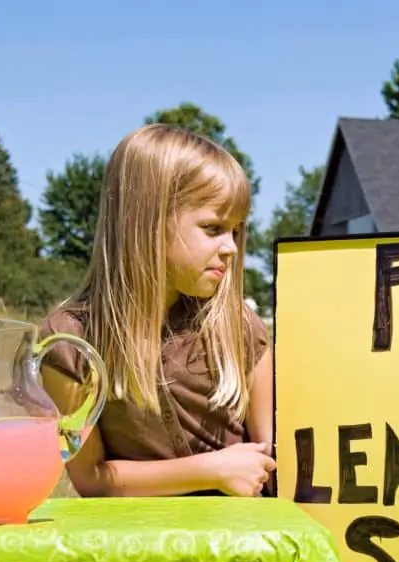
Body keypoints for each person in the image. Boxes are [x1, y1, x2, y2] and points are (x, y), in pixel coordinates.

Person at [37, 123, 276, 499]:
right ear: (146, 221)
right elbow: (90, 479)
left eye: (235, 230)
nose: (231, 247)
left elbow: (274, 464)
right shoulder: (69, 344)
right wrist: (211, 471)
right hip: (138, 552)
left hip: (239, 549)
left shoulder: (241, 329)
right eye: (213, 228)